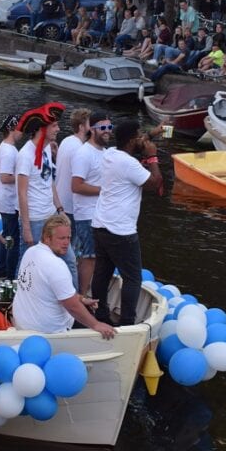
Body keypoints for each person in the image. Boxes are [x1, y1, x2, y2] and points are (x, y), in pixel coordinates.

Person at [91, 118, 162, 326]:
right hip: (121, 231)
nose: (143, 140)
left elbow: (133, 142)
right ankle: (127, 323)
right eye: (139, 137)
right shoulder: (129, 164)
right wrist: (152, 157)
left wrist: (151, 134)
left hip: (101, 225)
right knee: (132, 278)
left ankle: (100, 315)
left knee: (102, 273)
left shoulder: (110, 154)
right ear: (131, 141)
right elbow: (155, 184)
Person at [11, 215, 115, 339]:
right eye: (61, 238)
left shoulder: (30, 252)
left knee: (83, 308)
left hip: (22, 323)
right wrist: (96, 324)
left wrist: (81, 299)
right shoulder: (56, 265)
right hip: (48, 330)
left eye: (68, 238)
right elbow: (72, 306)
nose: (66, 243)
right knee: (94, 322)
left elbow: (49, 290)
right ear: (47, 238)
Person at [16, 102, 78, 288]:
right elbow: (22, 193)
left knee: (70, 260)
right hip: (34, 220)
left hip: (51, 216)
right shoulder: (25, 155)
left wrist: (60, 209)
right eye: (54, 126)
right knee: (27, 265)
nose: (58, 129)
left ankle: (73, 301)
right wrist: (26, 228)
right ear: (41, 129)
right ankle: (18, 298)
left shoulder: (46, 149)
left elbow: (49, 181)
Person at [71, 112, 111, 297]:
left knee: (98, 257)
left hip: (101, 214)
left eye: (109, 127)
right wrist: (104, 191)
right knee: (89, 257)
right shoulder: (84, 153)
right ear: (93, 130)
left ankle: (90, 294)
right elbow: (76, 186)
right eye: (103, 128)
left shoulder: (105, 153)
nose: (107, 131)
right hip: (86, 214)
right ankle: (81, 296)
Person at [54, 108, 91, 237]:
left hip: (60, 202)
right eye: (89, 124)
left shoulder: (66, 141)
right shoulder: (80, 149)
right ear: (81, 127)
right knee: (73, 244)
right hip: (71, 206)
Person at [0, 114, 22, 279]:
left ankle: (2, 271)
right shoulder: (9, 151)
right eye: (20, 128)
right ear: (12, 128)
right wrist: (24, 177)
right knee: (13, 240)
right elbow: (5, 177)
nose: (22, 132)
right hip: (9, 202)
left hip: (5, 200)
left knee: (7, 236)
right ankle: (10, 275)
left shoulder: (5, 147)